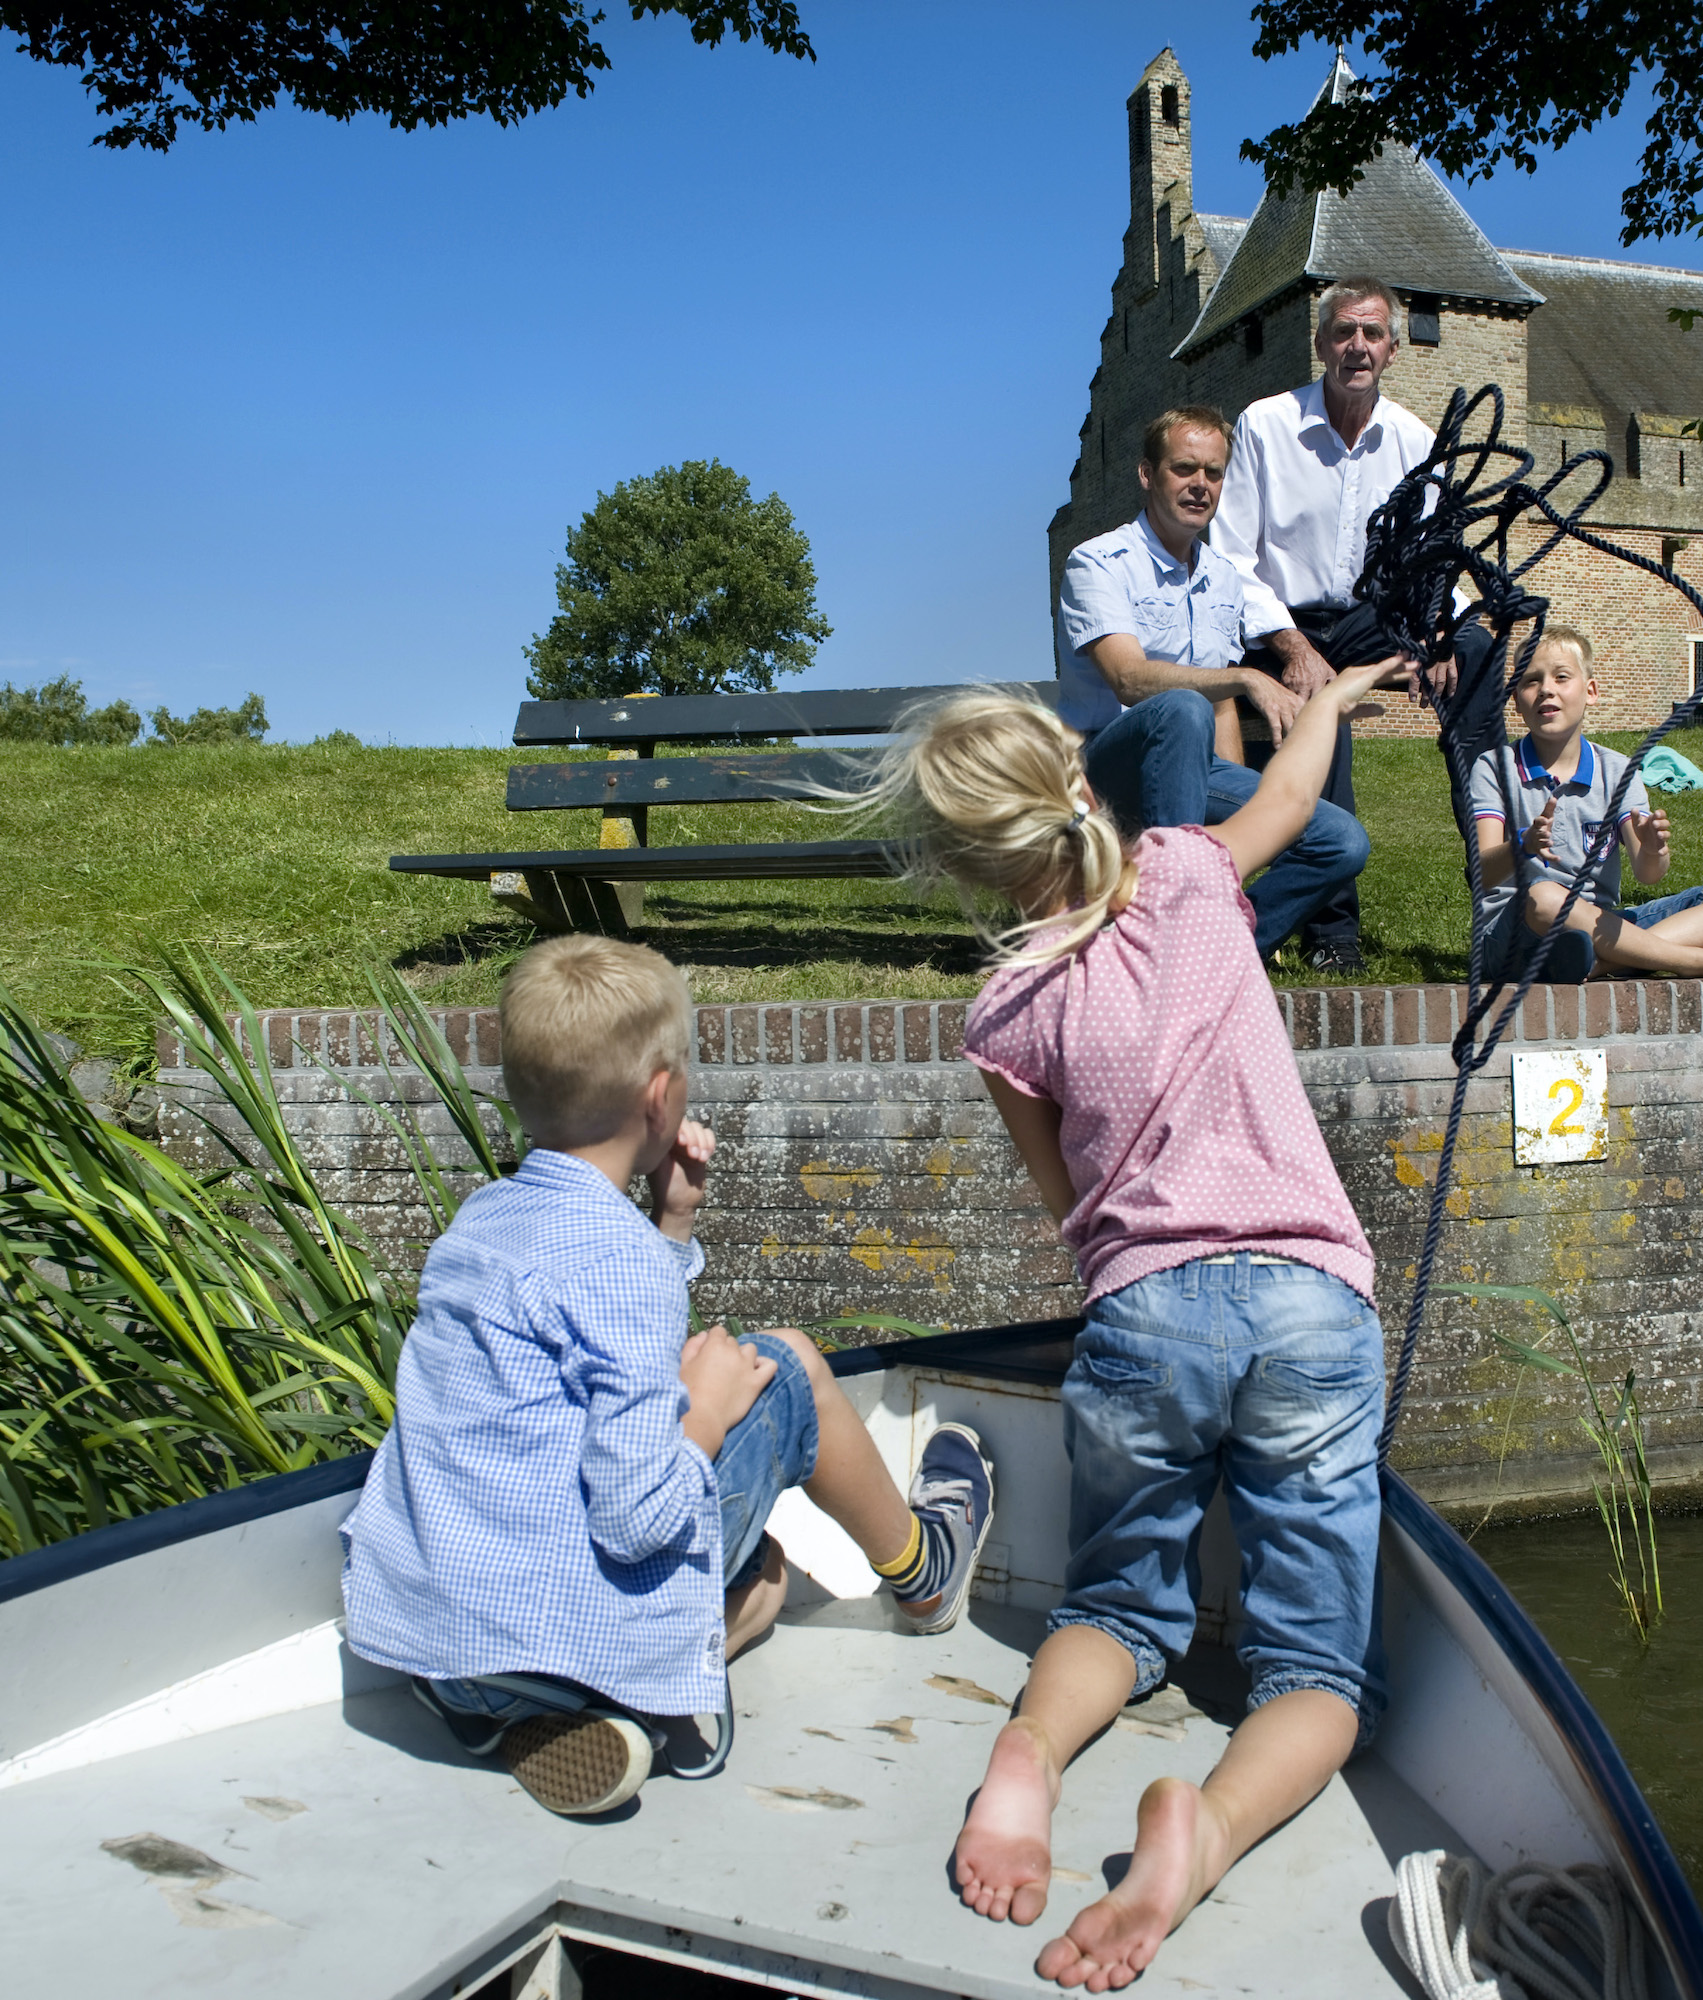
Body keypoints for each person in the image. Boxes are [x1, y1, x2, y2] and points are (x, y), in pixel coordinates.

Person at [862, 661, 1401, 1990]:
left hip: (1142, 1310)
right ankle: (1203, 1832)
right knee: (1315, 1673)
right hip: (1306, 1299)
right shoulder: (1187, 871)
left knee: (1116, 1602)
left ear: (967, 865)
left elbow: (1072, 1207)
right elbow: (1293, 799)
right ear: (1076, 771)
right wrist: (1329, 702)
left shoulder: (1002, 1010)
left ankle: (1029, 1754)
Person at [339, 934, 999, 1818]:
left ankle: (518, 1707)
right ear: (660, 1097)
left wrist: (672, 1221)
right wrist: (712, 1413)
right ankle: (922, 1576)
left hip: (435, 1630)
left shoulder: (482, 1220)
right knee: (791, 1367)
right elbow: (635, 1517)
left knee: (767, 1575)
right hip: (557, 1627)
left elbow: (596, 1349)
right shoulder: (619, 1263)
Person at [1057, 405, 1373, 958]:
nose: (1200, 484)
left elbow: (1221, 705)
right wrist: (1247, 678)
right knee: (1181, 707)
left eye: (1214, 472)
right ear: (1147, 474)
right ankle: (1173, 928)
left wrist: (1248, 825)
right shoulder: (1098, 562)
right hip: (1103, 775)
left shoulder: (1223, 578)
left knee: (1340, 840)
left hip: (1193, 768)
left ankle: (1220, 953)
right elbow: (1129, 679)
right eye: (1184, 468)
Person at [1207, 277, 1441, 972]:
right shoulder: (1266, 425)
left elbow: (1434, 560)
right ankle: (1331, 930)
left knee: (1479, 653)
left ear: (1393, 349)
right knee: (1322, 706)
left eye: (1372, 333)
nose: (1357, 346)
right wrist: (1291, 644)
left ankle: (1500, 887)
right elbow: (1231, 557)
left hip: (1373, 618)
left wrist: (1437, 633)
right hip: (1281, 617)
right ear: (1320, 344)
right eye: (1344, 332)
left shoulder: (1415, 441)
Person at [1470, 625, 1703, 986]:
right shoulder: (1493, 767)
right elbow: (1483, 873)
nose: (1546, 689)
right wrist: (1523, 846)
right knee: (1544, 896)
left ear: (1590, 691)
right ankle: (1697, 961)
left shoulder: (1618, 770)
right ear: (1515, 699)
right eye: (1531, 680)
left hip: (1599, 926)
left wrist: (1653, 850)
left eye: (1561, 677)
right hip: (1513, 935)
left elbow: (1648, 874)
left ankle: (1602, 963)